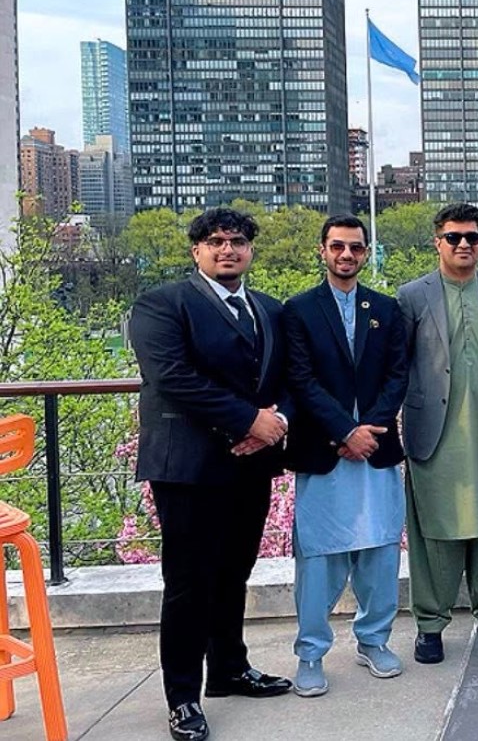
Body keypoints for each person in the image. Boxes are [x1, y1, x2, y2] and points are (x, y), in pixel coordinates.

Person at [130, 207, 292, 741]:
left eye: (238, 241)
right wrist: (249, 420)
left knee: (233, 574)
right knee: (187, 584)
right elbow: (171, 376)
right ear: (196, 250)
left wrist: (277, 422)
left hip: (251, 465)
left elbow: (290, 376)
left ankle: (228, 668)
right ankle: (182, 697)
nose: (228, 249)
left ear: (250, 250)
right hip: (188, 469)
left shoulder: (268, 309)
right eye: (216, 241)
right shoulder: (162, 304)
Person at [283, 215, 409, 696]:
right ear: (323, 251)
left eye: (356, 248)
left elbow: (398, 373)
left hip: (374, 450)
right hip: (326, 451)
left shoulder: (386, 309)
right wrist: (344, 431)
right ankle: (311, 653)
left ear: (365, 252)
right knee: (317, 560)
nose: (347, 256)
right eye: (338, 247)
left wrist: (369, 430)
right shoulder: (299, 311)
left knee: (379, 552)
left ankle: (374, 640)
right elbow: (301, 379)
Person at [398, 203, 478, 666]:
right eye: (454, 237)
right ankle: (431, 623)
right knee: (435, 529)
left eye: (472, 236)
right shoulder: (411, 295)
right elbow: (397, 366)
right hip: (434, 430)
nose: (464, 244)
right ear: (437, 242)